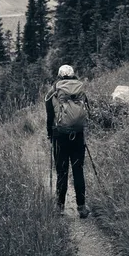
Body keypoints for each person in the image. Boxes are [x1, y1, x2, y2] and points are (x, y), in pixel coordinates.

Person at [45, 64, 90, 218]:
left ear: (59, 75)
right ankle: (82, 207)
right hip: (78, 136)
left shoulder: (53, 91)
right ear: (73, 75)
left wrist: (50, 134)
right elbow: (86, 112)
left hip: (60, 136)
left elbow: (50, 117)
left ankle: (60, 208)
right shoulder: (80, 89)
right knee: (78, 171)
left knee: (62, 172)